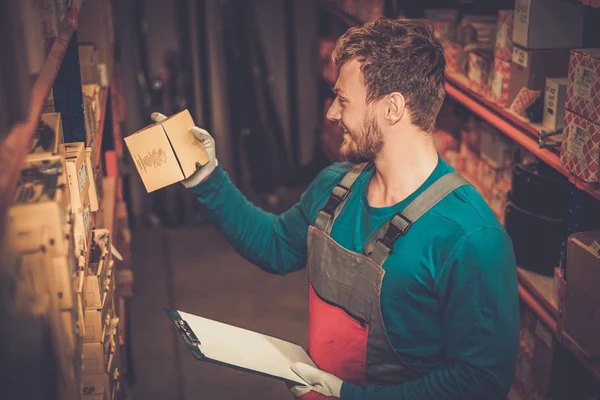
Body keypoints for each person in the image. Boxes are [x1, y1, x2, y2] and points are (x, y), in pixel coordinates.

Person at [152, 17, 519, 400]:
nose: (330, 113)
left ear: (392, 108)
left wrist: (348, 396)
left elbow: (478, 383)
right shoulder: (336, 187)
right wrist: (206, 178)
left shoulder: (470, 237)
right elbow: (274, 245)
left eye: (343, 100)